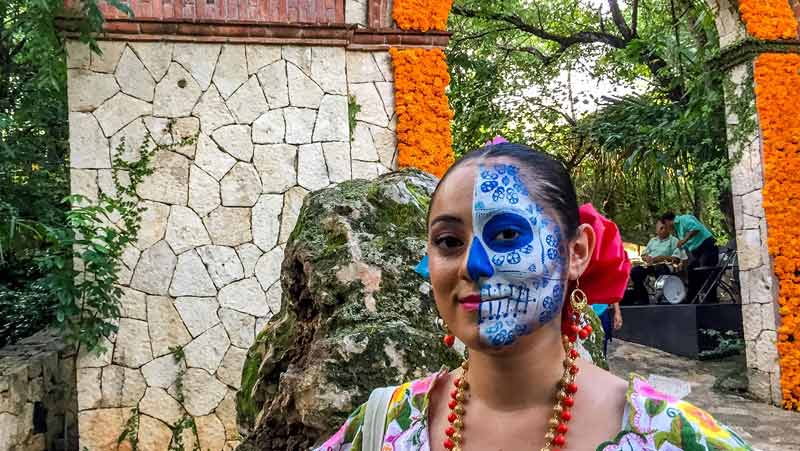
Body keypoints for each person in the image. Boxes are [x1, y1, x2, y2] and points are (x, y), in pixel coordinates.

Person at [314, 143, 751, 451]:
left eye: (506, 234)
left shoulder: (670, 436)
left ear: (576, 252)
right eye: (448, 241)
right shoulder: (382, 428)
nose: (474, 265)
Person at [661, 212, 719, 303]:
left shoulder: (684, 219)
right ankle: (692, 300)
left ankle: (711, 301)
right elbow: (685, 248)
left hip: (707, 247)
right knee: (691, 270)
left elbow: (696, 229)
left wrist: (684, 240)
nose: (667, 228)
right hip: (696, 252)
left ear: (668, 221)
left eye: (665, 225)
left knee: (706, 271)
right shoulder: (677, 229)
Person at [628, 219, 687, 304]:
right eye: (659, 228)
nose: (661, 230)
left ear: (668, 229)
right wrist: (646, 258)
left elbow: (676, 259)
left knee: (660, 268)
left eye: (663, 228)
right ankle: (642, 298)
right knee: (635, 271)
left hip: (665, 265)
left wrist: (663, 258)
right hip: (651, 265)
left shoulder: (674, 241)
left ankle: (663, 297)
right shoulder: (653, 241)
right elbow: (643, 255)